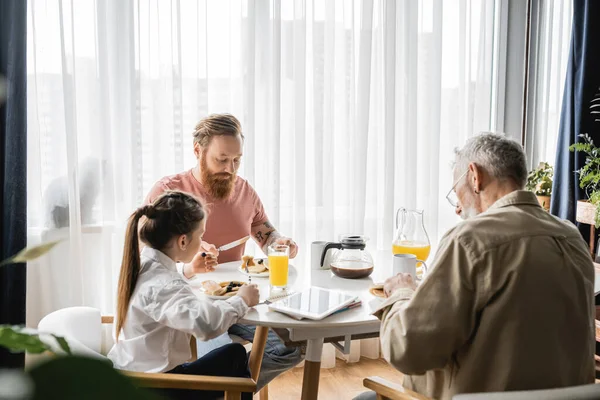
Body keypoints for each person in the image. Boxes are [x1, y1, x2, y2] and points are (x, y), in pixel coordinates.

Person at [358, 133, 596, 400]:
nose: (458, 209)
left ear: (474, 176)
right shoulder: (572, 238)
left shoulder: (470, 240)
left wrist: (401, 293)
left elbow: (407, 351)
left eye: (455, 191)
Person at [145, 113, 302, 389]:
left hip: (241, 298)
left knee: (288, 349)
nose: (230, 168)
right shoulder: (169, 192)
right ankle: (219, 388)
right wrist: (187, 262)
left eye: (237, 160)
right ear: (198, 150)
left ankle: (223, 392)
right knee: (220, 364)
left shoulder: (244, 192)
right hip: (190, 304)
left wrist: (281, 243)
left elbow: (266, 235)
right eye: (222, 159)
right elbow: (146, 258)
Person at [108, 191, 260, 400]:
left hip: (130, 377)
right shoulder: (164, 284)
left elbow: (162, 293)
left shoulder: (141, 266)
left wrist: (187, 271)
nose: (202, 241)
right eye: (200, 235)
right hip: (156, 386)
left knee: (232, 356)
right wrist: (243, 299)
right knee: (235, 356)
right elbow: (206, 325)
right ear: (182, 242)